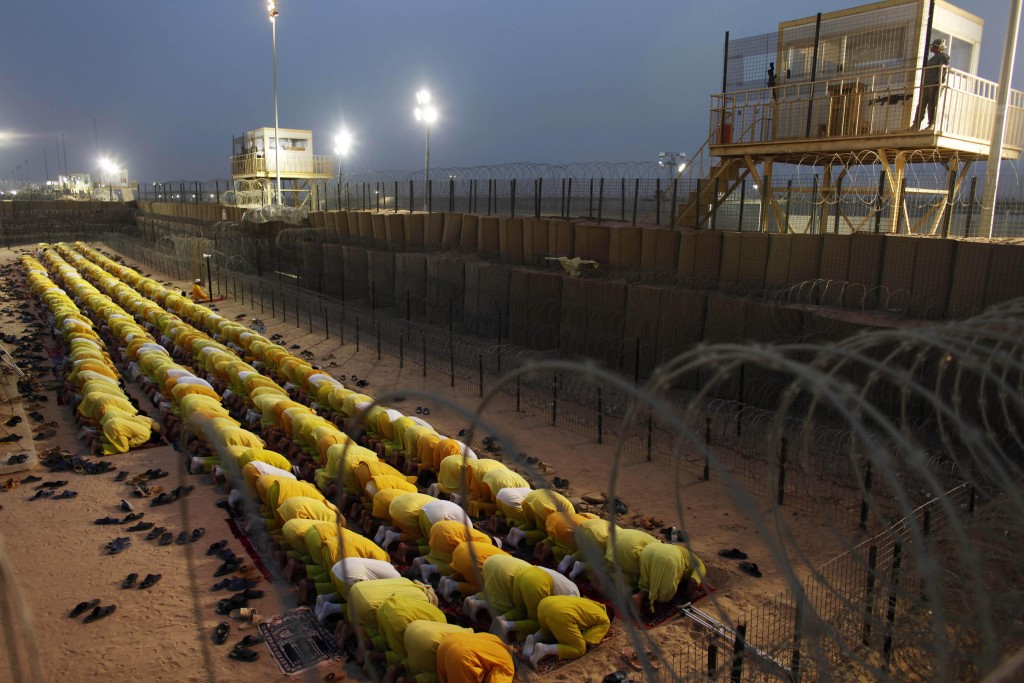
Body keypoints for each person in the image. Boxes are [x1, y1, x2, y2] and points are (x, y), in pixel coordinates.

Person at [913, 38, 950, 129]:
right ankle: (916, 124)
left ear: (938, 47)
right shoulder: (932, 58)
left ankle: (931, 124)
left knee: (932, 104)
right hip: (926, 84)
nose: (931, 47)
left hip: (935, 84)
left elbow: (943, 70)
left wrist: (937, 82)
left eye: (933, 46)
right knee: (921, 104)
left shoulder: (943, 56)